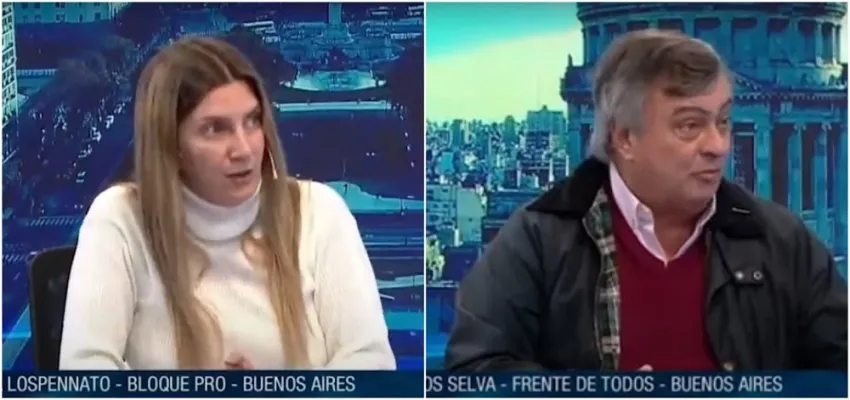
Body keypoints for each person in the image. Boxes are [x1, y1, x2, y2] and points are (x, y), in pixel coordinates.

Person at [445, 29, 847, 371]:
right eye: (689, 125)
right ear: (624, 137)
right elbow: (475, 371)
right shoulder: (538, 241)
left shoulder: (784, 242)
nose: (718, 145)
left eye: (723, 122)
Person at [59, 37, 396, 370]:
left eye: (252, 121)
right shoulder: (120, 219)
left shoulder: (319, 212)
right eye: (215, 129)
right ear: (170, 142)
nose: (244, 149)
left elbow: (371, 361)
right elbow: (85, 374)